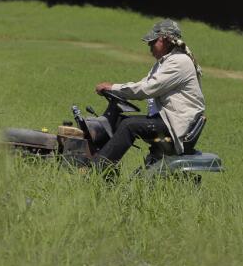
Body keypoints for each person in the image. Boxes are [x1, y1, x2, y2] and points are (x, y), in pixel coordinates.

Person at [88, 19, 205, 171]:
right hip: (167, 120)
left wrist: (114, 87)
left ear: (165, 40)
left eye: (152, 42)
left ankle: (97, 170)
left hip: (176, 125)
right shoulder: (165, 62)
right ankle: (101, 163)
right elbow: (144, 84)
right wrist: (115, 90)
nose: (149, 46)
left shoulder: (179, 62)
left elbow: (148, 89)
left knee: (129, 126)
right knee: (119, 120)